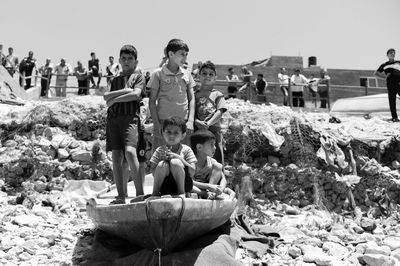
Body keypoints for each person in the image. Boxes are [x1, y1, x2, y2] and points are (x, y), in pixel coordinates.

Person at [103, 44, 146, 204]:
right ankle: (121, 195)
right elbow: (106, 97)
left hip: (130, 118)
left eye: (130, 59)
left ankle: (140, 193)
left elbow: (136, 94)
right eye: (124, 58)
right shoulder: (115, 80)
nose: (126, 61)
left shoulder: (138, 77)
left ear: (136, 61)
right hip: (113, 119)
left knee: (129, 152)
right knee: (116, 156)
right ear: (119, 60)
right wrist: (122, 93)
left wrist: (114, 98)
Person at [147, 39, 196, 152]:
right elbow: (152, 101)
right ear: (170, 54)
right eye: (182, 54)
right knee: (160, 160)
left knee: (182, 159)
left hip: (183, 123)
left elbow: (191, 98)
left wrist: (190, 121)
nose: (185, 58)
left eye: (186, 55)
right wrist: (156, 124)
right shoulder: (158, 74)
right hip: (163, 123)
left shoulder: (187, 74)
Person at [150, 117, 197, 198]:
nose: (172, 135)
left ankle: (181, 193)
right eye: (168, 132)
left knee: (175, 162)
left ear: (183, 135)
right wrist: (161, 160)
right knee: (162, 164)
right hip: (166, 187)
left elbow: (192, 171)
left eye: (176, 133)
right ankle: (155, 194)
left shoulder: (186, 150)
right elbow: (153, 173)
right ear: (163, 133)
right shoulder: (160, 150)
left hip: (185, 185)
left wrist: (179, 158)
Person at [194, 61, 227, 165]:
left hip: (213, 130)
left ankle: (217, 180)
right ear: (199, 76)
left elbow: (220, 111)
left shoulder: (217, 94)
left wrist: (208, 123)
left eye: (211, 74)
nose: (207, 76)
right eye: (204, 73)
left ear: (215, 77)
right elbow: (191, 112)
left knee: (216, 158)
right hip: (197, 129)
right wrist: (197, 122)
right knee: (197, 157)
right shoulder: (194, 95)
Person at [190, 130, 227, 199]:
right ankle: (206, 194)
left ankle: (210, 193)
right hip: (195, 188)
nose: (215, 148)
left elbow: (223, 179)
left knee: (218, 166)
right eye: (211, 144)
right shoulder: (191, 161)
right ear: (199, 147)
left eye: (215, 144)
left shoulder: (212, 162)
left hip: (210, 188)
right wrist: (208, 186)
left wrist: (220, 189)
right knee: (188, 186)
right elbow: (190, 182)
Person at [374, 48, 400, 122]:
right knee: (392, 101)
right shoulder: (384, 65)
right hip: (390, 84)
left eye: (394, 53)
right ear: (387, 55)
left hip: (399, 83)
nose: (392, 54)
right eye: (391, 53)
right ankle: (394, 118)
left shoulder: (398, 62)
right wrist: (384, 77)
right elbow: (375, 74)